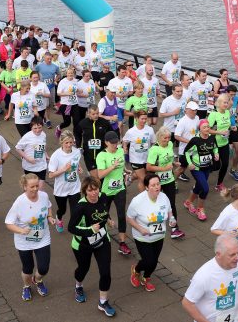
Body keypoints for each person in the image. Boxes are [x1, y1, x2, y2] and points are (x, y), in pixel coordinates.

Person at [68, 177, 117, 317]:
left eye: (96, 189)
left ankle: (103, 302)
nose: (94, 193)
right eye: (90, 190)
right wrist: (89, 230)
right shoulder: (80, 207)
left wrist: (109, 220)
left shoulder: (103, 197)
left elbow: (103, 212)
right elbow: (71, 228)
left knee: (106, 272)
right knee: (83, 269)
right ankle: (78, 286)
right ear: (84, 191)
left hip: (102, 240)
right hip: (83, 244)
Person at [5, 173, 55, 301]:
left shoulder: (43, 196)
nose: (35, 189)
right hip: (24, 241)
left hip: (42, 237)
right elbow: (9, 223)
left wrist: (49, 217)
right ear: (24, 187)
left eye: (37, 186)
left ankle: (37, 280)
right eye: (32, 186)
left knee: (44, 267)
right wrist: (21, 230)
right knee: (28, 268)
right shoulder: (19, 202)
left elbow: (48, 206)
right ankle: (26, 286)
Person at [182, 234, 238, 322]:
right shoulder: (204, 276)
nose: (237, 258)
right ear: (218, 254)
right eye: (232, 255)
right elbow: (187, 303)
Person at [127, 173, 176, 292]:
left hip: (159, 236)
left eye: (158, 184)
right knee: (149, 260)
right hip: (143, 237)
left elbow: (169, 211)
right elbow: (129, 218)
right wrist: (140, 228)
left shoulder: (164, 197)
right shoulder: (138, 201)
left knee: (154, 262)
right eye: (153, 185)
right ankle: (136, 270)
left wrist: (172, 219)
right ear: (147, 187)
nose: (156, 187)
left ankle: (146, 277)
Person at [97, 131, 132, 255]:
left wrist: (126, 170)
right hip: (106, 191)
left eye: (116, 142)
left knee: (122, 215)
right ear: (106, 142)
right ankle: (99, 237)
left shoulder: (120, 151)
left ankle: (122, 243)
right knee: (102, 215)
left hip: (119, 188)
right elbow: (100, 174)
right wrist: (113, 166)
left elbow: (121, 166)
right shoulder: (101, 156)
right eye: (112, 143)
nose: (115, 144)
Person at [146, 126, 185, 239]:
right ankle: (151, 225)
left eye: (168, 138)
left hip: (169, 179)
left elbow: (168, 158)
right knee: (154, 203)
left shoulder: (170, 144)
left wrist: (174, 163)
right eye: (165, 138)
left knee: (171, 204)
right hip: (157, 182)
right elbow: (149, 167)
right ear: (159, 137)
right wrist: (163, 169)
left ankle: (174, 228)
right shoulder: (154, 150)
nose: (167, 140)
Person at [182, 119, 218, 221]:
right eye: (204, 127)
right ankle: (200, 209)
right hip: (196, 168)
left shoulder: (212, 138)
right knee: (205, 189)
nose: (207, 129)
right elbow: (186, 152)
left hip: (207, 167)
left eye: (208, 127)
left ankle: (188, 202)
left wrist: (216, 153)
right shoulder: (195, 140)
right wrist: (189, 164)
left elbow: (215, 148)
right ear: (200, 129)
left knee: (198, 187)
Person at [48, 130, 83, 233]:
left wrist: (79, 167)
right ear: (61, 143)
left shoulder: (76, 151)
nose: (69, 145)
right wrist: (63, 169)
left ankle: (74, 230)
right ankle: (59, 218)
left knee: (76, 211)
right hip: (61, 189)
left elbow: (76, 161)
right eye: (66, 143)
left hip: (75, 187)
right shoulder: (56, 156)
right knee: (62, 210)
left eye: (71, 142)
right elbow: (50, 175)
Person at [123, 111, 156, 191]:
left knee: (143, 175)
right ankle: (144, 198)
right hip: (135, 159)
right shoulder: (131, 131)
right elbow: (125, 140)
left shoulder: (150, 130)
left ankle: (129, 177)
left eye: (145, 118)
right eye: (142, 119)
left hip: (147, 158)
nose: (144, 121)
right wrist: (125, 148)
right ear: (136, 118)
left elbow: (153, 143)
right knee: (143, 179)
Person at [79, 104, 111, 180]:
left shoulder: (104, 122)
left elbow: (112, 133)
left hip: (102, 154)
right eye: (93, 114)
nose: (96, 115)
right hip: (89, 156)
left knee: (102, 177)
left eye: (97, 113)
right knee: (96, 178)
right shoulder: (82, 123)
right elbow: (77, 135)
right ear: (88, 113)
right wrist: (78, 146)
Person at [208, 94, 232, 192]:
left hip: (224, 143)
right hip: (214, 144)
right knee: (216, 166)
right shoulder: (213, 114)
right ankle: (202, 175)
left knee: (225, 164)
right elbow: (207, 130)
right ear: (218, 103)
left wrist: (230, 130)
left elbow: (227, 126)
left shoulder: (227, 113)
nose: (226, 104)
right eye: (224, 102)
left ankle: (219, 184)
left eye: (227, 102)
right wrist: (219, 132)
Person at [15, 117, 48, 182]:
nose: (37, 130)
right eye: (35, 128)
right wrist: (28, 159)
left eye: (40, 127)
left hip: (41, 165)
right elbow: (18, 148)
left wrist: (46, 155)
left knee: (40, 190)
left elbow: (44, 146)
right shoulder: (27, 137)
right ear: (31, 127)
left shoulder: (43, 134)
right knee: (31, 188)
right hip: (30, 167)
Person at [173, 101, 199, 183]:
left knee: (197, 167)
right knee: (181, 168)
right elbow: (176, 136)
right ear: (186, 110)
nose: (194, 112)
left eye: (196, 110)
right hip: (185, 150)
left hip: (195, 149)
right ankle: (172, 183)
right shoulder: (182, 121)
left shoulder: (197, 118)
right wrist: (190, 142)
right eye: (192, 110)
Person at [35, 51, 60, 126]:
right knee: (43, 104)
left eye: (50, 59)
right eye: (47, 59)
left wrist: (56, 80)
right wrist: (37, 81)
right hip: (41, 88)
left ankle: (47, 118)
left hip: (51, 87)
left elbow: (58, 74)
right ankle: (44, 119)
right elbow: (34, 73)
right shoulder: (39, 66)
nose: (49, 60)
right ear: (44, 58)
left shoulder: (55, 66)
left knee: (49, 105)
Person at [55, 68, 80, 140]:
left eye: (72, 73)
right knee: (67, 122)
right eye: (69, 73)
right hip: (66, 105)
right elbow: (58, 93)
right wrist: (67, 93)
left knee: (76, 121)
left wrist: (79, 90)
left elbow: (77, 89)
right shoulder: (63, 82)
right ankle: (59, 127)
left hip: (75, 104)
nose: (70, 74)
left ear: (74, 74)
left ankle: (75, 137)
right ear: (66, 74)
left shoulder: (75, 81)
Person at [107, 65, 133, 134]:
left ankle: (121, 138)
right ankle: (116, 136)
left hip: (125, 105)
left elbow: (131, 91)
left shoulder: (129, 80)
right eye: (122, 72)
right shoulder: (112, 81)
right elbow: (108, 93)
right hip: (116, 105)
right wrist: (118, 95)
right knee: (120, 122)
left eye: (125, 72)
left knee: (121, 124)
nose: (124, 74)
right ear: (118, 72)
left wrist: (126, 94)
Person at [226, 85, 238, 182]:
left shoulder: (236, 99)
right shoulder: (221, 99)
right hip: (222, 128)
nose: (232, 96)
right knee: (222, 153)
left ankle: (233, 170)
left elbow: (235, 110)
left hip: (233, 127)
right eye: (231, 94)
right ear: (227, 93)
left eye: (234, 94)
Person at [76, 69, 97, 145]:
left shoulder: (91, 81)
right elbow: (77, 94)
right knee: (81, 119)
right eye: (86, 76)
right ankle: (81, 132)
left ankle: (91, 131)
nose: (88, 77)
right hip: (82, 104)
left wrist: (95, 92)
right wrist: (84, 95)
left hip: (91, 103)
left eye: (89, 76)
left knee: (91, 118)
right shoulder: (79, 83)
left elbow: (94, 91)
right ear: (83, 76)